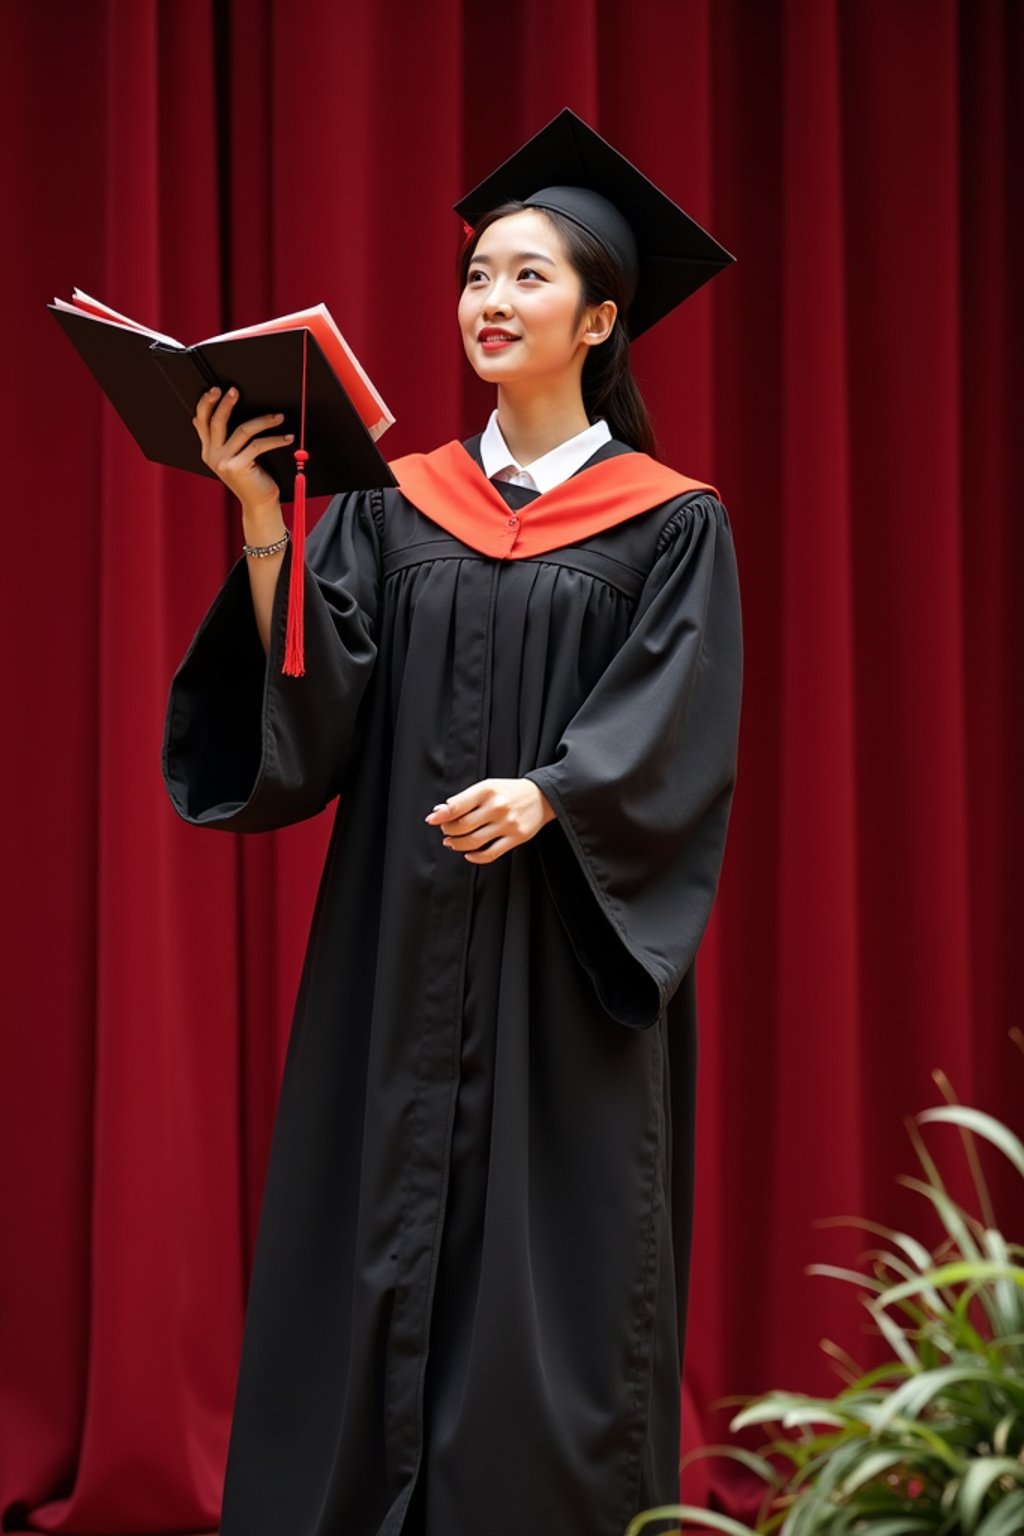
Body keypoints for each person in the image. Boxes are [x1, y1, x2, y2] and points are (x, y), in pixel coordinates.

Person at [163, 109, 743, 1536]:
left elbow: (682, 725)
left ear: (602, 318)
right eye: (479, 272)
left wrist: (557, 790)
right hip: (398, 944)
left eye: (529, 276)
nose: (490, 298)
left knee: (549, 1271)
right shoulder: (392, 508)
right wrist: (258, 524)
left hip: (561, 968)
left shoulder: (670, 525)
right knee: (371, 1236)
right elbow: (316, 719)